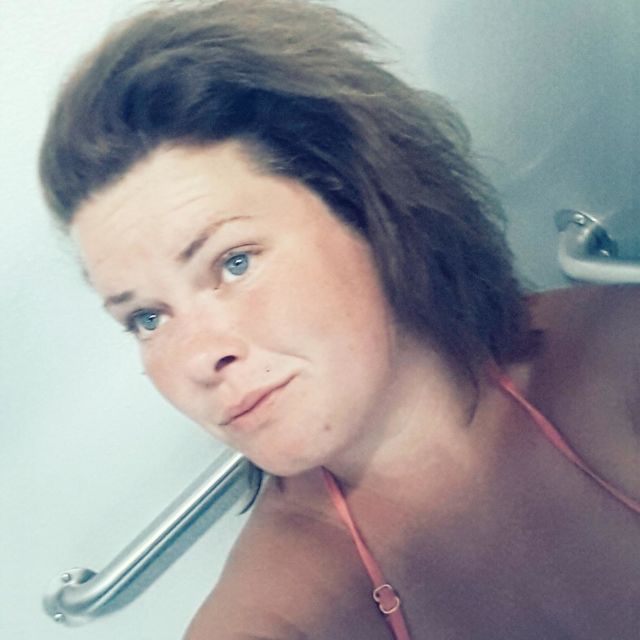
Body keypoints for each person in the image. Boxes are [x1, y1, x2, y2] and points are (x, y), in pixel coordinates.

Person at [39, 1, 640, 638]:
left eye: (234, 262)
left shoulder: (614, 355)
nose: (194, 360)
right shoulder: (276, 611)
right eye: (147, 318)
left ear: (368, 211)